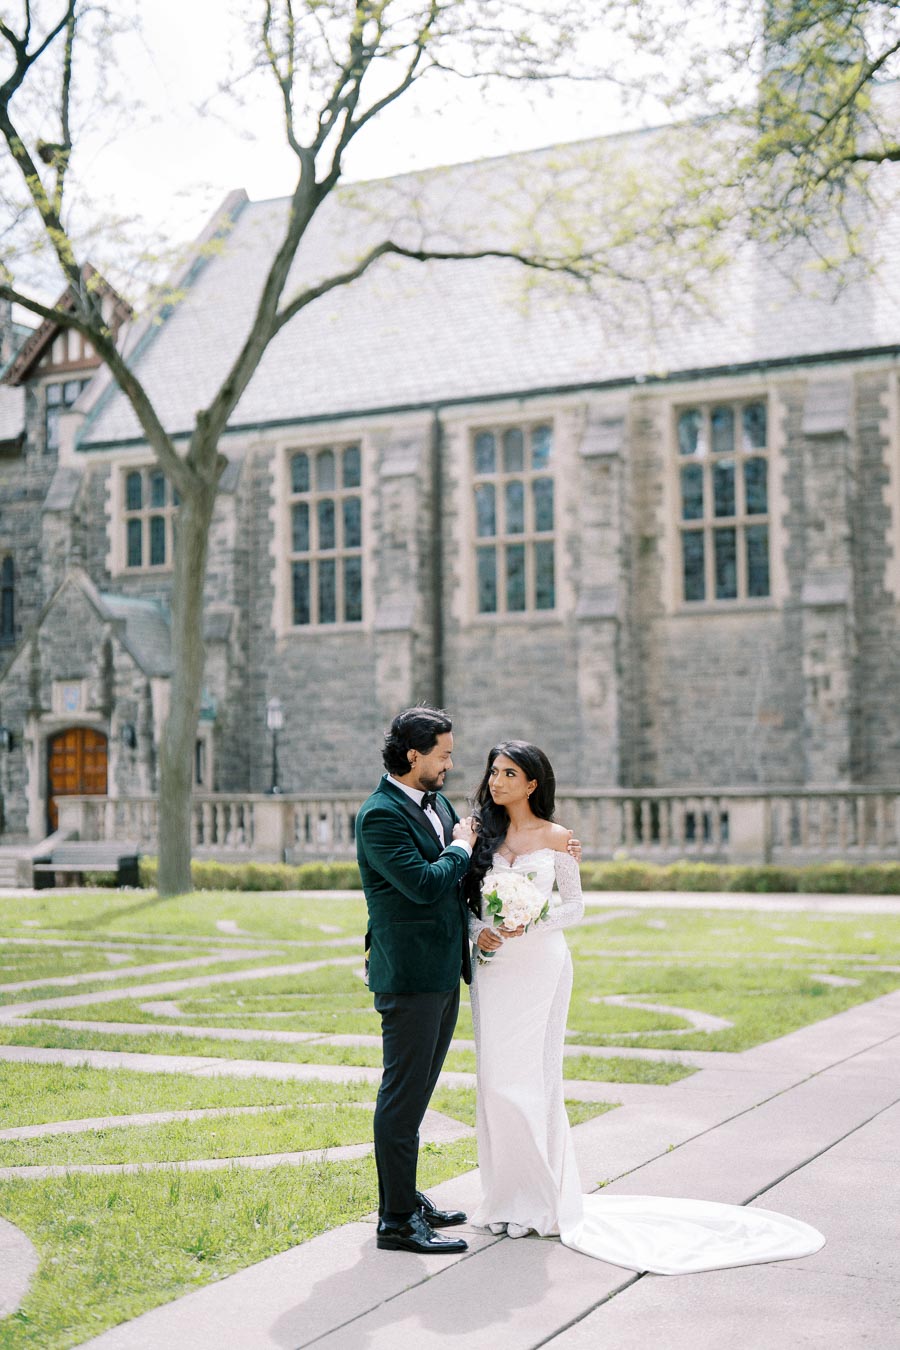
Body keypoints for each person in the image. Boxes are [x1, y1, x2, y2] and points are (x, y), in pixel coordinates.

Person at [465, 740, 825, 1274]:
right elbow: (465, 902)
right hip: (494, 972)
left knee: (535, 1078)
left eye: (509, 773)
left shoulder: (560, 839)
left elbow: (576, 908)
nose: (497, 782)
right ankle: (503, 1198)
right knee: (495, 1080)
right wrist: (482, 933)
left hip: (541, 964)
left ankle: (539, 1201)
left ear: (534, 783)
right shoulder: (479, 835)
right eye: (494, 772)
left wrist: (527, 921)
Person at [355, 706, 477, 1255]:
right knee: (402, 1097)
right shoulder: (379, 816)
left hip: (442, 969)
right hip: (408, 977)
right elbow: (426, 884)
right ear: (413, 756)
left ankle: (405, 1195)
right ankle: (397, 1221)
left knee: (418, 1094)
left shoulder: (439, 803)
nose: (450, 764)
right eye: (443, 755)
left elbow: (461, 875)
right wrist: (460, 846)